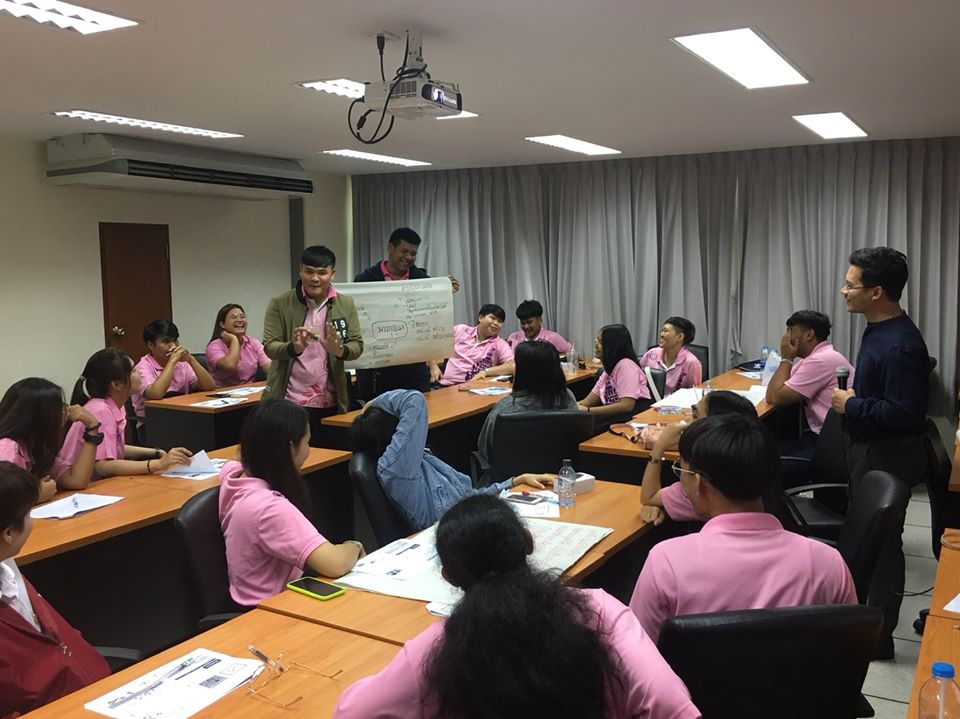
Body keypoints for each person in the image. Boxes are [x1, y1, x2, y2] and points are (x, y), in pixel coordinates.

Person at [334, 494, 701, 719]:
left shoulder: (436, 650)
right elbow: (673, 706)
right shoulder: (600, 612)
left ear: (450, 576)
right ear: (528, 543)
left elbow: (352, 712)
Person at [629, 414, 857, 643]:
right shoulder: (829, 563)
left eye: (681, 471)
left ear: (699, 484)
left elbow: (632, 653)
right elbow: (851, 650)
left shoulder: (666, 563)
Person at [831, 246, 930, 659]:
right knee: (872, 539)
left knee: (884, 542)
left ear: (876, 292)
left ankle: (880, 636)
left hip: (887, 454)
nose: (843, 291)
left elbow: (906, 414)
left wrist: (852, 404)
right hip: (869, 447)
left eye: (850, 285)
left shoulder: (900, 345)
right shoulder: (877, 327)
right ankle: (865, 619)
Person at [219, 398, 366, 606]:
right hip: (272, 608)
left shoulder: (232, 476)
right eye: (307, 442)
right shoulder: (268, 508)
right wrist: (355, 545)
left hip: (254, 597)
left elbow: (233, 459)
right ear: (290, 448)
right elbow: (335, 563)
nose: (308, 450)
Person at [0, 461, 111, 715]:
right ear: (8, 533)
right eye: (28, 515)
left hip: (95, 693)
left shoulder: (8, 569)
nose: (31, 522)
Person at [351, 390, 552, 529]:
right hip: (456, 535)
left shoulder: (419, 460)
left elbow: (468, 497)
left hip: (468, 520)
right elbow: (414, 400)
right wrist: (375, 403)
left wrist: (514, 482)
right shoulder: (395, 466)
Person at [263, 245, 363, 443]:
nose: (315, 278)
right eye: (309, 271)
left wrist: (339, 350)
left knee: (329, 456)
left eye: (322, 273)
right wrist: (293, 348)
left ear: (332, 274)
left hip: (332, 401)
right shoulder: (280, 303)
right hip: (290, 401)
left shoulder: (345, 303)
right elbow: (269, 347)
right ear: (300, 270)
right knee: (292, 456)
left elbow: (357, 345)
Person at [59, 349, 192, 487]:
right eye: (133, 371)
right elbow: (103, 466)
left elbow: (115, 447)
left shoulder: (113, 405)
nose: (138, 372)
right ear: (117, 384)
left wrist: (156, 452)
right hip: (80, 486)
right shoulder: (100, 410)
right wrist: (157, 464)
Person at [354, 227, 460, 397]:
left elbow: (430, 320)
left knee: (419, 409)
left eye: (413, 253)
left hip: (413, 370)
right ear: (390, 247)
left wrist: (443, 293)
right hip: (376, 371)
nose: (409, 257)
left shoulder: (423, 281)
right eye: (404, 251)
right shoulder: (364, 280)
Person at [639, 390, 756, 526]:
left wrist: (659, 446)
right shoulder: (756, 464)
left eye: (694, 415)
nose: (685, 421)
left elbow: (649, 497)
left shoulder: (698, 485)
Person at [474, 340, 579, 483]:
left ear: (524, 371)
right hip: (559, 478)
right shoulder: (567, 397)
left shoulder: (506, 406)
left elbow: (485, 448)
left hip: (512, 482)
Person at [0, 378, 101, 500]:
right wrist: (35, 495)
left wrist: (92, 427)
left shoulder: (37, 449)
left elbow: (76, 480)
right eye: (59, 407)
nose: (66, 412)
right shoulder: (7, 447)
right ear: (38, 416)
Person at [765, 310, 854, 441]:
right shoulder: (815, 357)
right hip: (831, 432)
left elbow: (774, 397)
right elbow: (782, 384)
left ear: (809, 335)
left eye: (790, 331)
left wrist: (786, 358)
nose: (786, 338)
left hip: (837, 439)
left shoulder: (820, 360)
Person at [132, 318, 215, 426]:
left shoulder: (183, 363)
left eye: (175, 340)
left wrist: (191, 360)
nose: (173, 346)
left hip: (182, 418)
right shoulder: (142, 367)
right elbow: (156, 394)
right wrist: (172, 362)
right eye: (166, 342)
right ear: (151, 345)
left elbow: (209, 386)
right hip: (152, 423)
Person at [577, 324, 646, 431]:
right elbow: (588, 401)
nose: (595, 343)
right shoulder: (608, 371)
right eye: (596, 339)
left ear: (613, 346)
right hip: (614, 418)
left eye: (601, 342)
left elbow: (627, 405)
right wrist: (571, 408)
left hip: (628, 420)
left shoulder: (626, 366)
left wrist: (589, 411)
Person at [438, 304, 515, 386]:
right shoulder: (461, 330)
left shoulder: (500, 343)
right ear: (480, 318)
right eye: (492, 318)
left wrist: (486, 371)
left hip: (474, 387)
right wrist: (433, 366)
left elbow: (512, 365)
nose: (496, 323)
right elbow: (434, 340)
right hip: (446, 384)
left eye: (500, 321)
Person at [204, 303, 271, 387]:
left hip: (250, 391)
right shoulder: (214, 346)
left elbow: (269, 368)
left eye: (242, 316)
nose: (240, 320)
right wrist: (234, 340)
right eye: (234, 317)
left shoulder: (253, 342)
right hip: (224, 393)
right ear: (222, 324)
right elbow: (229, 365)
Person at [637, 317, 702, 399]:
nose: (661, 335)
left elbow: (693, 393)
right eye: (662, 331)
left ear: (680, 337)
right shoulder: (651, 354)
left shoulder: (691, 362)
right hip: (648, 401)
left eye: (666, 331)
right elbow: (637, 379)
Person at [506, 299, 573, 354]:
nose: (526, 326)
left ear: (540, 320)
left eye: (529, 322)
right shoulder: (513, 338)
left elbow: (571, 353)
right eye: (522, 323)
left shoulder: (552, 338)